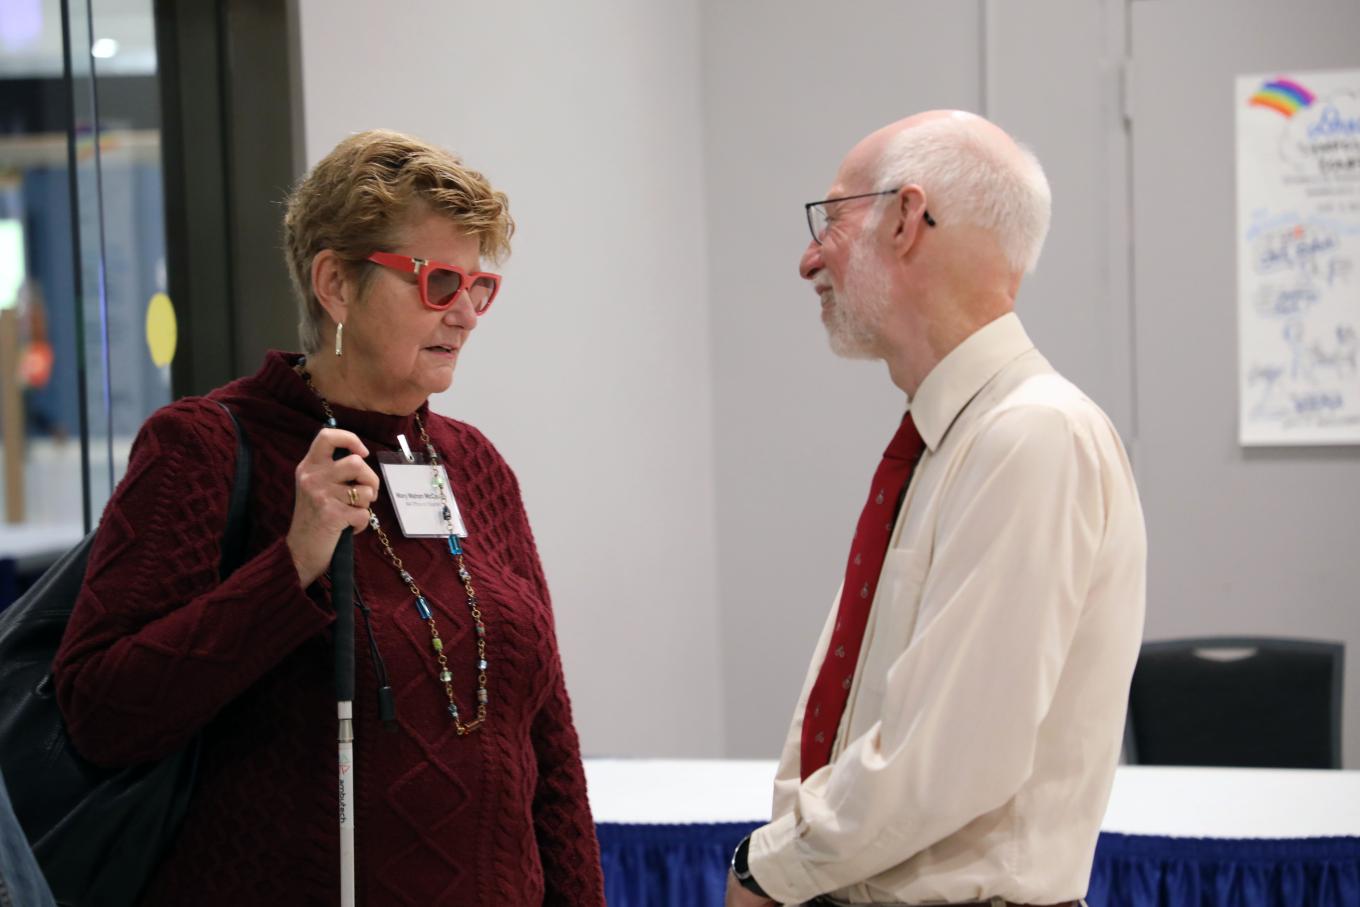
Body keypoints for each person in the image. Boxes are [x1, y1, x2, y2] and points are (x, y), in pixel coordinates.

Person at [54, 130, 605, 906]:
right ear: (336, 286)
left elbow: (548, 740)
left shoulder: (473, 465)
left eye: (480, 286)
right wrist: (290, 566)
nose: (467, 315)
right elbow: (99, 712)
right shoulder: (205, 448)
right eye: (438, 282)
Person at [725, 111, 1146, 907]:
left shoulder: (1031, 436)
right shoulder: (955, 440)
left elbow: (952, 752)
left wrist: (768, 867)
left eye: (831, 218)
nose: (808, 257)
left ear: (907, 220)